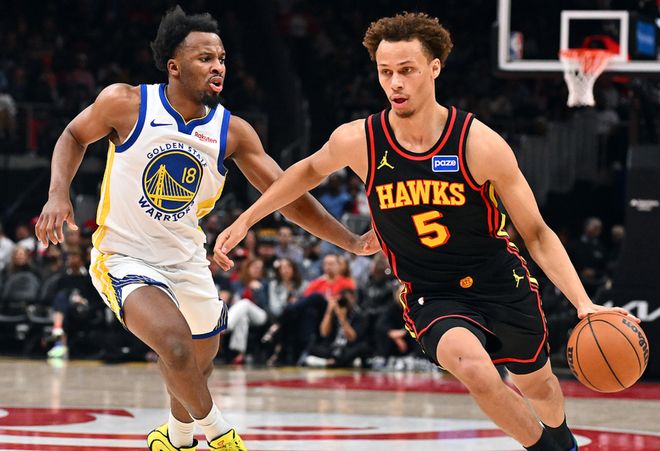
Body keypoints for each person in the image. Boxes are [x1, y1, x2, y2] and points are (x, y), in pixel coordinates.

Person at [214, 12, 640, 451]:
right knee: (475, 370)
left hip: (499, 280)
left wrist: (583, 303)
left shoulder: (479, 144)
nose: (395, 83)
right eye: (385, 72)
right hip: (431, 292)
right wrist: (246, 220)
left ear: (434, 68)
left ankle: (561, 439)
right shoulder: (360, 140)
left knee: (540, 387)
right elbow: (303, 172)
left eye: (407, 70)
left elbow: (536, 233)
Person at [34, 6, 377, 451]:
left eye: (222, 59)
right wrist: (58, 192)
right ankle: (221, 436)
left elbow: (289, 196)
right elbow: (73, 136)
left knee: (198, 363)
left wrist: (351, 241)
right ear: (173, 66)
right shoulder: (126, 102)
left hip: (187, 259)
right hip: (124, 256)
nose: (218, 67)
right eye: (205, 58)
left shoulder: (233, 132)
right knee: (174, 348)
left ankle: (175, 438)